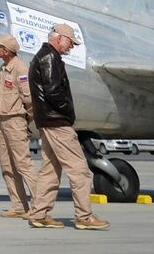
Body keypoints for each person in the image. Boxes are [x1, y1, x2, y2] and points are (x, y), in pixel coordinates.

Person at [26, 23, 107, 231]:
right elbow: (53, 92)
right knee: (80, 170)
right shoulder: (50, 58)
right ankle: (84, 216)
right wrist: (68, 111)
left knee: (50, 170)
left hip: (47, 122)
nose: (71, 47)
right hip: (57, 122)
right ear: (59, 38)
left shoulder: (42, 56)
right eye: (70, 42)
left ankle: (39, 213)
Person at [0, 34, 35, 218]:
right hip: (2, 120)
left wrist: (25, 119)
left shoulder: (20, 68)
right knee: (7, 166)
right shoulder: (4, 68)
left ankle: (40, 205)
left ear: (6, 51)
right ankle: (19, 206)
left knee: (23, 164)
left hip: (16, 120)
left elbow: (29, 99)